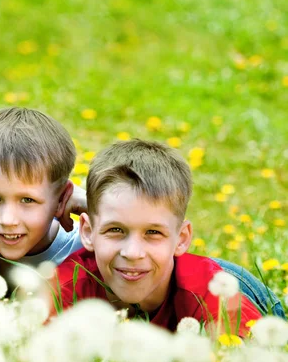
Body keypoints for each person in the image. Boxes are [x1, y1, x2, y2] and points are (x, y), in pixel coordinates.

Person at [56, 139, 284, 336]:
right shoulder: (65, 287)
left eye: (153, 232)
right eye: (115, 230)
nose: (132, 252)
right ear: (87, 231)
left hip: (228, 283)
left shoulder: (213, 294)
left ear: (182, 238)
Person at [0, 107, 85, 276]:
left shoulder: (87, 246)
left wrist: (93, 203)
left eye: (27, 200)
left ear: (61, 198)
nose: (8, 220)